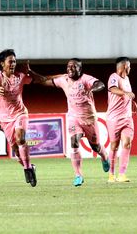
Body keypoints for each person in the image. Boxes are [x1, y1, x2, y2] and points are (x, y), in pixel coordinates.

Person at [37, 58, 110, 187]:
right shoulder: (64, 80)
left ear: (80, 69)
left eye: (74, 66)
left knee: (96, 147)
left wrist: (92, 89)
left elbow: (100, 84)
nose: (70, 68)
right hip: (73, 118)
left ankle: (104, 156)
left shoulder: (86, 79)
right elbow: (44, 81)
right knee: (74, 142)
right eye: (68, 66)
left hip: (89, 119)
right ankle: (78, 175)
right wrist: (31, 73)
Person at [0, 49, 38, 187]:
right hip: (4, 118)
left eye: (14, 61)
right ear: (3, 63)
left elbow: (36, 80)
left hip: (20, 113)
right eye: (10, 61)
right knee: (15, 149)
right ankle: (29, 166)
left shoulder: (20, 76)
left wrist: (30, 71)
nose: (13, 64)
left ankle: (27, 170)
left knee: (21, 138)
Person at [106, 57, 137, 183]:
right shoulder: (113, 76)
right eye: (129, 66)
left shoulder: (127, 79)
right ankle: (111, 175)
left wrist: (131, 102)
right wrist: (126, 93)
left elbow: (127, 95)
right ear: (125, 66)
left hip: (127, 117)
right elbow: (112, 89)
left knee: (127, 143)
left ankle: (122, 174)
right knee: (114, 146)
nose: (130, 68)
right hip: (114, 118)